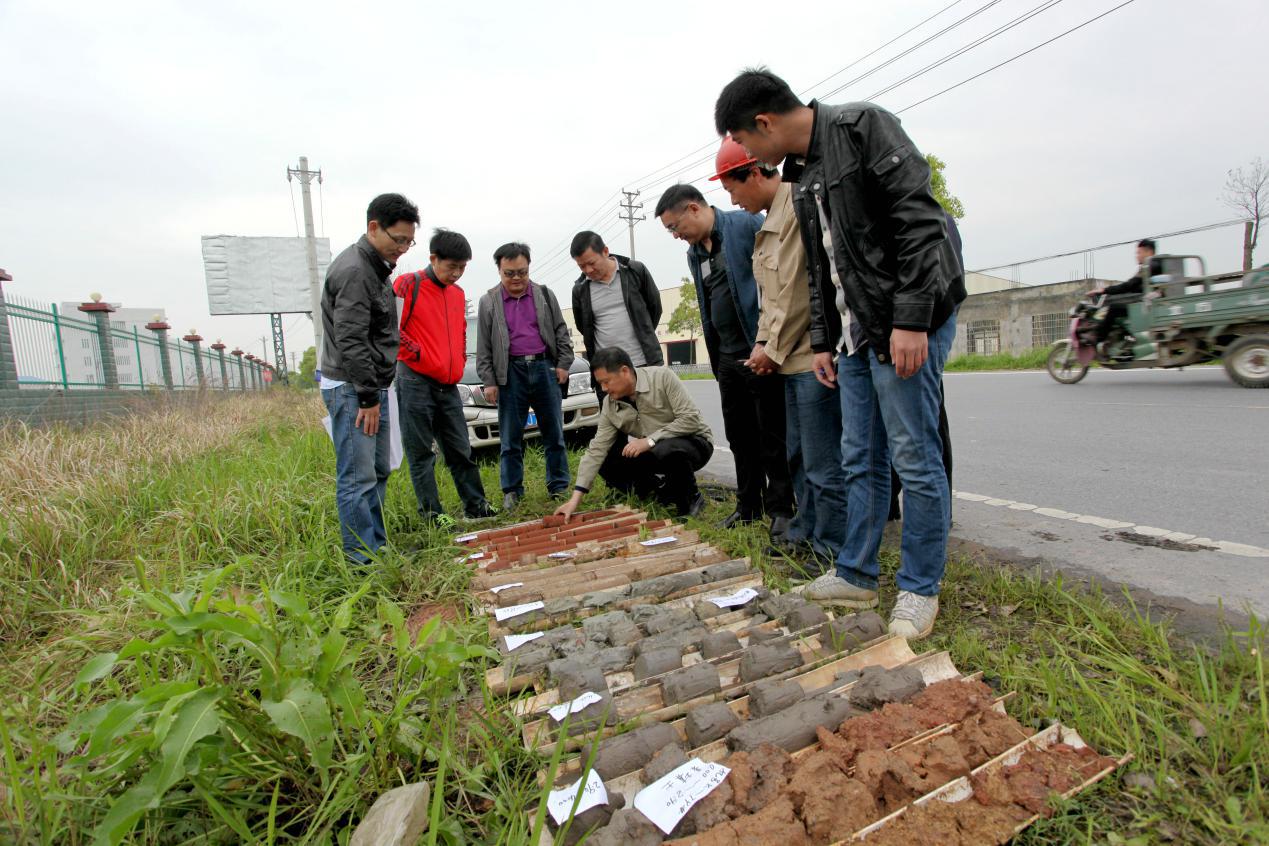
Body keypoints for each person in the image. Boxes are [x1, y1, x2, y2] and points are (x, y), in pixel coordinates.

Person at [715, 68, 966, 639]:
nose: (752, 156)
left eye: (746, 141)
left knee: (913, 456)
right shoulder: (802, 173)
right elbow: (824, 268)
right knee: (860, 456)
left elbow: (920, 225)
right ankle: (856, 574)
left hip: (905, 320)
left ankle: (920, 588)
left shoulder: (863, 128)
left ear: (764, 123)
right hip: (854, 332)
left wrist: (911, 319)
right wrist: (826, 341)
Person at [712, 136, 845, 569]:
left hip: (809, 357)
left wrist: (771, 348)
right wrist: (761, 343)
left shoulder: (796, 208)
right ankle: (806, 531)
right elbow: (769, 300)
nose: (733, 200)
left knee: (822, 462)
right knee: (797, 456)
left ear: (754, 173)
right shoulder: (770, 221)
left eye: (732, 188)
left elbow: (800, 292)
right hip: (787, 360)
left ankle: (831, 547)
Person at [653, 182, 795, 542]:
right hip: (727, 357)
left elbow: (774, 283)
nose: (675, 235)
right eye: (669, 231)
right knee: (740, 437)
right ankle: (749, 506)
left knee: (771, 435)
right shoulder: (695, 253)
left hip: (757, 349)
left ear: (694, 208)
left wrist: (767, 342)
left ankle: (782, 510)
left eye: (674, 227)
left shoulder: (745, 226)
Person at [320, 192, 418, 563]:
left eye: (409, 242)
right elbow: (351, 339)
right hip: (353, 389)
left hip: (372, 386)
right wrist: (367, 397)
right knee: (357, 477)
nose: (403, 249)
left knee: (378, 471)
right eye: (399, 240)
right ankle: (361, 561)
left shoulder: (375, 268)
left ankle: (376, 547)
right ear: (374, 227)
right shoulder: (355, 271)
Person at [393, 228, 495, 524]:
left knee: (460, 448)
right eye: (452, 267)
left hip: (448, 384)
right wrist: (420, 355)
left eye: (462, 267)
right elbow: (391, 329)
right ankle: (432, 515)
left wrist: (459, 361)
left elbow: (460, 332)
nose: (457, 274)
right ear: (433, 259)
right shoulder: (408, 284)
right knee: (422, 452)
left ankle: (476, 506)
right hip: (414, 380)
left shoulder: (457, 294)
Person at [555, 347, 712, 521]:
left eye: (606, 381)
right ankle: (660, 491)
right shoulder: (609, 404)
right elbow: (597, 449)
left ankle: (692, 499)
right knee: (607, 460)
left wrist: (650, 440)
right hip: (655, 451)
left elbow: (690, 419)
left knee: (668, 448)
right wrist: (574, 500)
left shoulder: (662, 377)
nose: (604, 388)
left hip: (693, 444)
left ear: (624, 371)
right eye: (600, 383)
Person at [475, 242, 574, 510]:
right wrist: (489, 381)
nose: (516, 278)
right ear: (499, 270)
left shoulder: (544, 294)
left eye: (522, 272)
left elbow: (561, 331)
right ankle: (512, 491)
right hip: (510, 373)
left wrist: (563, 363)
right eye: (510, 273)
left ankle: (559, 486)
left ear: (529, 268)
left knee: (554, 433)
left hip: (544, 368)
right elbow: (484, 346)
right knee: (510, 438)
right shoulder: (489, 302)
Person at [570, 231, 665, 398]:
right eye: (582, 266)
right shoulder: (580, 290)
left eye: (591, 263)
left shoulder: (635, 271)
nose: (588, 270)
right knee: (615, 414)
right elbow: (584, 327)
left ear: (605, 251)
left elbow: (654, 308)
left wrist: (644, 331)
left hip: (644, 363)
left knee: (654, 411)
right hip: (607, 372)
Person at [1088, 239, 1156, 353]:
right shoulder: (1154, 264)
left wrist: (1104, 290)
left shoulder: (1149, 266)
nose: (1136, 256)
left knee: (1113, 309)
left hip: (1143, 304)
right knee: (1115, 305)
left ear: (1148, 252)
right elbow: (1132, 286)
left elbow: (1129, 285)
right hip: (1144, 302)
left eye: (1139, 252)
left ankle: (1098, 340)